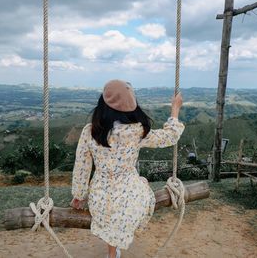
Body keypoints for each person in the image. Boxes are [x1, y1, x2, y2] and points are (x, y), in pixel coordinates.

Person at [70, 79, 184, 258]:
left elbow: (82, 167)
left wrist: (79, 195)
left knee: (110, 213)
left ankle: (112, 252)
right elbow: (169, 136)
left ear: (103, 104)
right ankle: (114, 251)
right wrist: (175, 110)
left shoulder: (90, 131)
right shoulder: (137, 131)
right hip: (130, 195)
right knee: (138, 192)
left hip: (101, 197)